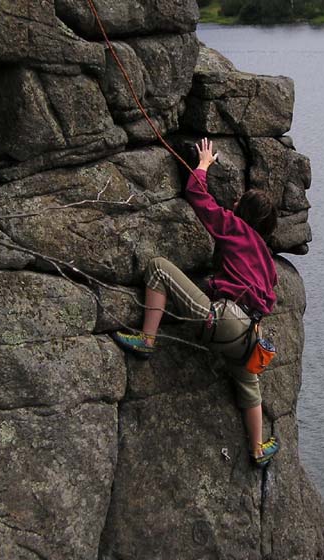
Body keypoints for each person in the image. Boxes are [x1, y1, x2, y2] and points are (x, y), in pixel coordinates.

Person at [113, 138, 280, 467]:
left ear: (242, 213)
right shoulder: (269, 262)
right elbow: (268, 298)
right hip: (249, 337)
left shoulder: (236, 229)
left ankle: (147, 340)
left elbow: (198, 197)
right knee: (248, 384)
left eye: (238, 203)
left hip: (224, 320)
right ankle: (258, 449)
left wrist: (203, 165)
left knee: (159, 269)